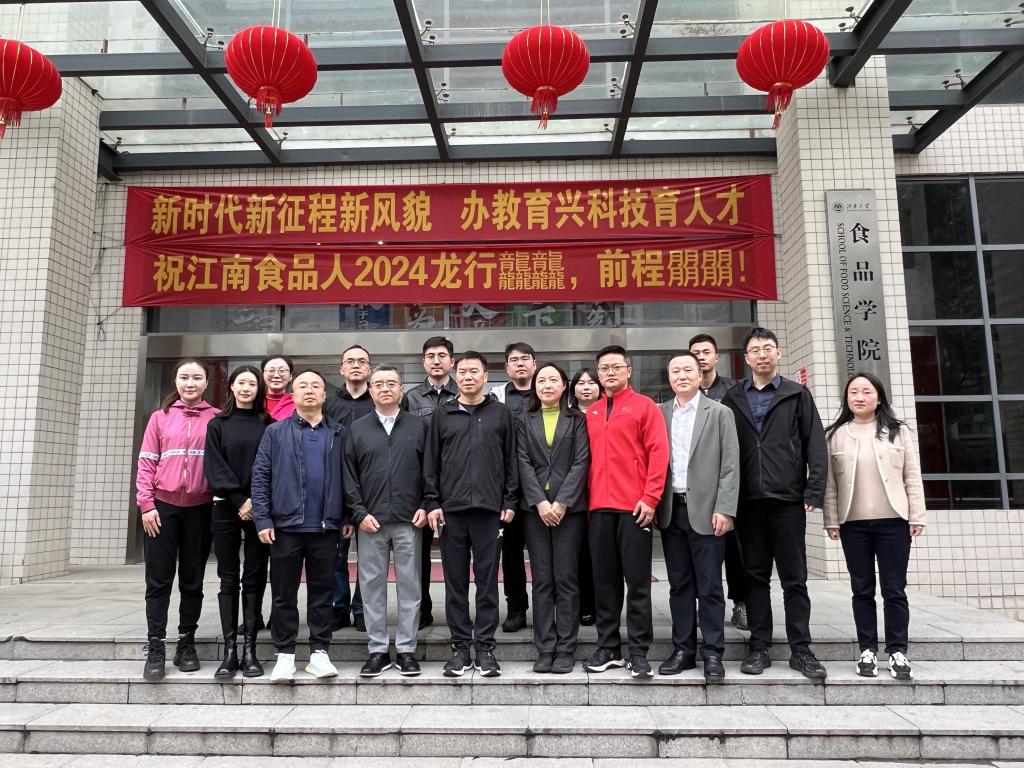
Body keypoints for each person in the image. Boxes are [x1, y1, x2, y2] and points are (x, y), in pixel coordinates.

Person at [721, 327, 829, 680]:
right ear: (746, 358)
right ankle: (759, 647)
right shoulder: (733, 397)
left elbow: (815, 444)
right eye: (755, 350)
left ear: (778, 353)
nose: (762, 354)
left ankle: (801, 649)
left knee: (794, 578)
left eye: (768, 348)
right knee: (754, 576)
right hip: (747, 501)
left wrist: (813, 491)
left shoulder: (797, 394)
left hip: (787, 500)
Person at [825, 372, 926, 681]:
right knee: (862, 589)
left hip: (894, 523)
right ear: (846, 399)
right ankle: (867, 650)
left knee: (894, 589)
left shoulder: (898, 432)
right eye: (853, 392)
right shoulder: (836, 435)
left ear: (879, 397)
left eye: (866, 391)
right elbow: (830, 484)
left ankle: (897, 651)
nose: (859, 397)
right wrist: (831, 520)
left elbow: (912, 476)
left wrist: (917, 516)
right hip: (853, 525)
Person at [252, 369, 349, 682]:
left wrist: (347, 516)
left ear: (324, 395)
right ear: (292, 395)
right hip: (285, 527)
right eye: (302, 386)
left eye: (315, 386)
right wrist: (263, 518)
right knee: (283, 594)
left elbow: (350, 478)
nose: (309, 390)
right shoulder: (275, 432)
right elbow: (260, 476)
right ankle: (285, 655)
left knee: (323, 592)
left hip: (325, 528)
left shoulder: (339, 433)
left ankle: (320, 652)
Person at [424, 351, 518, 678]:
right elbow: (431, 463)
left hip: (490, 511)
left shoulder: (501, 414)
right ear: (455, 376)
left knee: (488, 581)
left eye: (474, 371)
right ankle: (460, 647)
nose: (467, 377)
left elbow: (511, 460)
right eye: (462, 372)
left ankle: (486, 648)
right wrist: (432, 502)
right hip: (452, 511)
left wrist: (510, 499)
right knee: (455, 583)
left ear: (485, 377)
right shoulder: (442, 414)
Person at [583, 345, 669, 680]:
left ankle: (638, 652)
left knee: (637, 583)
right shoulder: (591, 412)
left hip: (635, 508)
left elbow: (659, 453)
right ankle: (608, 647)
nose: (609, 372)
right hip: (598, 509)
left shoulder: (645, 406)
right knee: (604, 583)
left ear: (628, 370)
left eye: (616, 367)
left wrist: (651, 497)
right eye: (603, 368)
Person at [656, 352, 739, 682]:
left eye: (687, 369)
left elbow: (730, 465)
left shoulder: (719, 413)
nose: (682, 376)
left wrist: (725, 508)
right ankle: (683, 650)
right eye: (675, 370)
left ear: (700, 373)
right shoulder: (660, 413)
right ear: (669, 377)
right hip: (671, 510)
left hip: (708, 511)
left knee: (710, 586)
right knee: (679, 586)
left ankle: (713, 653)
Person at [344, 365, 429, 678]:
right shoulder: (357, 429)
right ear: (370, 390)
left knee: (410, 587)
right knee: (371, 587)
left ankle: (406, 650)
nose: (385, 389)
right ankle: (377, 650)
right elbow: (349, 476)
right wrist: (359, 512)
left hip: (410, 519)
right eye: (378, 384)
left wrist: (426, 505)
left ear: (401, 389)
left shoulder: (419, 426)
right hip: (371, 521)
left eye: (391, 383)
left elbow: (430, 470)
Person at [137, 358, 218, 680]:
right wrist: (146, 504)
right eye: (184, 377)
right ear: (176, 381)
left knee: (192, 581)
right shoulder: (160, 417)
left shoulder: (216, 418)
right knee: (158, 581)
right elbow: (146, 462)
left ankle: (186, 643)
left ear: (206, 382)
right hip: (162, 508)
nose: (190, 383)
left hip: (200, 509)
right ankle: (155, 646)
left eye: (197, 377)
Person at [516, 363, 590, 674]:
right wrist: (540, 502)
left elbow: (581, 461)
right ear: (535, 386)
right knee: (542, 579)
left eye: (553, 380)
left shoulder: (577, 420)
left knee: (566, 578)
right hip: (534, 511)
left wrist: (561, 502)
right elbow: (522, 461)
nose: (547, 385)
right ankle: (545, 647)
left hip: (569, 511)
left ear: (564, 386)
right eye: (541, 380)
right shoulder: (524, 420)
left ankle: (566, 648)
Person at [203, 365, 272, 679]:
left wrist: (254, 501)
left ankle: (250, 649)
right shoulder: (217, 424)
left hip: (260, 510)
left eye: (252, 384)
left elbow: (272, 467)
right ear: (231, 386)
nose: (246, 388)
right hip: (226, 509)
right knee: (228, 578)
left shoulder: (269, 425)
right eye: (241, 383)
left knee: (255, 577)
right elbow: (214, 467)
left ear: (259, 389)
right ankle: (230, 650)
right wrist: (239, 499)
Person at [689, 333, 749, 632]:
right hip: (695, 486)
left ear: (716, 358)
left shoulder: (734, 391)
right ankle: (702, 606)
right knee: (697, 555)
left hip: (728, 482)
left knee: (736, 551)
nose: (701, 357)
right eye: (695, 353)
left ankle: (741, 603)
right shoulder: (685, 393)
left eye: (706, 352)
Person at [402, 336, 458, 631]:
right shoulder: (410, 398)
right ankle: (422, 610)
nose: (436, 361)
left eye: (442, 355)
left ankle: (458, 613)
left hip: (457, 484)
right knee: (419, 554)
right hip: (420, 485)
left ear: (452, 361)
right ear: (423, 362)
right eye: (431, 356)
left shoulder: (464, 393)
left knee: (456, 554)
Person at [324, 344, 374, 633]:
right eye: (350, 361)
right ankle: (338, 607)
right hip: (336, 490)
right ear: (341, 369)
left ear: (369, 368)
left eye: (362, 361)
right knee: (337, 555)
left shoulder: (378, 401)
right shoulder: (329, 404)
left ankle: (361, 608)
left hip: (372, 492)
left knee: (369, 556)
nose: (356, 365)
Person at [489, 342, 536, 633]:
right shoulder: (496, 398)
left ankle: (549, 607)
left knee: (544, 555)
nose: (520, 364)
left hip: (541, 489)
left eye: (525, 359)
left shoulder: (548, 392)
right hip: (507, 490)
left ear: (534, 364)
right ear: (506, 368)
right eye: (513, 360)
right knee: (511, 553)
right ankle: (516, 607)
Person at [568, 367, 600, 626]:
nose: (586, 387)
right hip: (573, 494)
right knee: (578, 554)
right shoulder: (569, 416)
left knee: (599, 553)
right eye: (580, 383)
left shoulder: (607, 412)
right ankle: (582, 605)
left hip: (601, 491)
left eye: (591, 382)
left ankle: (600, 604)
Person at [262, 356, 296, 422]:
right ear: (263, 375)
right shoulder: (256, 402)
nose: (276, 376)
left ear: (290, 376)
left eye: (282, 371)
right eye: (271, 371)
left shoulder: (297, 402)